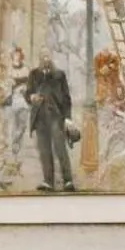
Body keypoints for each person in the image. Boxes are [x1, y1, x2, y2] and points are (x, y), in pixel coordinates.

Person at [25, 53, 76, 192]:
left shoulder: (59, 75)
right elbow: (28, 93)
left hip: (56, 116)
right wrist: (31, 97)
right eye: (43, 57)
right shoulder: (34, 74)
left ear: (51, 59)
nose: (46, 59)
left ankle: (68, 181)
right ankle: (48, 182)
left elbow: (66, 98)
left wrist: (68, 118)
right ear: (40, 60)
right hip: (39, 117)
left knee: (60, 148)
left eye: (48, 56)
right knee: (44, 151)